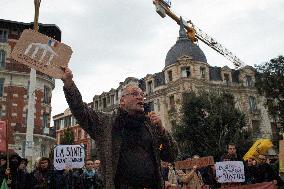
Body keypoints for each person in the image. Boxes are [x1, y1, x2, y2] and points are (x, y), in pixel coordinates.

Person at [61, 67, 178, 189]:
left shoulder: (150, 125)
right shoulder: (106, 123)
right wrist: (69, 84)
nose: (140, 97)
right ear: (122, 100)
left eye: (142, 95)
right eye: (134, 94)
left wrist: (162, 132)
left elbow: (172, 156)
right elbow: (81, 111)